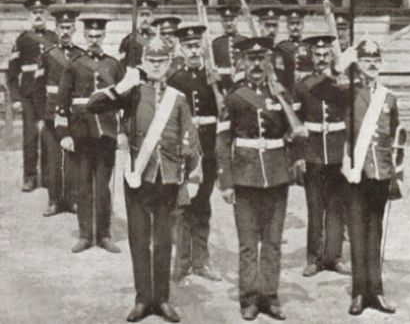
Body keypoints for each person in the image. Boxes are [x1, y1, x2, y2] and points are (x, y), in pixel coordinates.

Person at [87, 33, 202, 323]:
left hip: (169, 176)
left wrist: (190, 178)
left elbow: (190, 138)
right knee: (139, 238)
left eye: (161, 61)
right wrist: (121, 86)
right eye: (150, 60)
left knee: (164, 239)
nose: (156, 66)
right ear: (143, 63)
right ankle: (143, 299)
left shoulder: (177, 98)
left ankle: (161, 299)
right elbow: (94, 105)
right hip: (138, 175)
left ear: (169, 63)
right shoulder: (132, 92)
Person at [215, 37, 305, 321]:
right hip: (245, 177)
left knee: (273, 241)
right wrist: (226, 182)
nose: (256, 64)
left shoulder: (281, 95)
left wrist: (295, 153)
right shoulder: (235, 96)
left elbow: (295, 134)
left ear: (268, 61)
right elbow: (222, 141)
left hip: (277, 176)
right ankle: (250, 298)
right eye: (250, 59)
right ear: (242, 62)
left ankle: (270, 296)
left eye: (260, 59)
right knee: (247, 243)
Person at [341, 39, 401, 316]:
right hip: (356, 175)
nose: (372, 64)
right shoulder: (347, 93)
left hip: (380, 175)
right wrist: (343, 59)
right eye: (366, 60)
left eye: (376, 60)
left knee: (375, 234)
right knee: (356, 233)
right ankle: (358, 293)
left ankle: (376, 292)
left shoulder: (388, 98)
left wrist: (395, 176)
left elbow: (397, 138)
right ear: (358, 63)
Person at [55, 16, 123, 254]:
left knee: (103, 187)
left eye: (99, 36)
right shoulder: (74, 64)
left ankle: (104, 235)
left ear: (104, 37)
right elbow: (62, 102)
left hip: (106, 133)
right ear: (84, 37)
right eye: (90, 36)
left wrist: (122, 132)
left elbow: (124, 101)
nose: (94, 40)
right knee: (83, 186)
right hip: (81, 133)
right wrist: (64, 134)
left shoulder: (113, 65)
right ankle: (85, 235)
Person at [294, 35, 354, 277]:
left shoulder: (342, 84)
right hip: (313, 151)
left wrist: (350, 151)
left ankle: (335, 257)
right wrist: (298, 155)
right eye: (317, 55)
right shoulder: (302, 85)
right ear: (311, 57)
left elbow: (351, 118)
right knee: (315, 207)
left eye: (325, 55)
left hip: (338, 151)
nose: (321, 59)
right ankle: (315, 258)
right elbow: (295, 122)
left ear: (331, 56)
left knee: (337, 207)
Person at [170, 25, 221, 282]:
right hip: (185, 150)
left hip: (209, 149)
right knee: (182, 206)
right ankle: (182, 263)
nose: (193, 50)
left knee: (203, 205)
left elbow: (223, 114)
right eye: (188, 46)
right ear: (181, 49)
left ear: (202, 47)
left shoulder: (213, 79)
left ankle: (201, 262)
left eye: (196, 45)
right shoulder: (175, 79)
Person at [33, 7, 84, 216]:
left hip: (73, 114)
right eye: (61, 27)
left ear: (74, 29)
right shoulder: (47, 56)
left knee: (73, 157)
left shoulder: (80, 56)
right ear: (56, 28)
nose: (64, 31)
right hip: (51, 113)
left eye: (68, 27)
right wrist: (39, 117)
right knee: (53, 159)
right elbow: (37, 88)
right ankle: (54, 201)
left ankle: (72, 200)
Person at [7, 0, 58, 192]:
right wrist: (16, 99)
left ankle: (46, 176)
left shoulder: (54, 39)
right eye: (34, 13)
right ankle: (29, 177)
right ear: (29, 16)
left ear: (46, 15)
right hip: (28, 96)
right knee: (29, 137)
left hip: (47, 96)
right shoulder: (22, 40)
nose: (38, 15)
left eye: (41, 12)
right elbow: (12, 75)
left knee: (47, 136)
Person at [274, 7, 312, 93]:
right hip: (288, 88)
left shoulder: (309, 46)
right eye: (292, 24)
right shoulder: (281, 47)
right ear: (287, 26)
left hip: (306, 87)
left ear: (303, 25)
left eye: (298, 23)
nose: (295, 27)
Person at [212, 4, 248, 94]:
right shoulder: (216, 43)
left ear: (237, 21)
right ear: (221, 22)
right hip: (223, 85)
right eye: (225, 20)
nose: (228, 24)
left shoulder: (245, 41)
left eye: (232, 20)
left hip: (242, 84)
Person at [118, 0, 158, 69]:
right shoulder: (128, 40)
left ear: (152, 17)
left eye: (147, 15)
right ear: (136, 17)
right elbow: (122, 66)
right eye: (142, 15)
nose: (145, 19)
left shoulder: (158, 39)